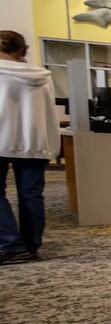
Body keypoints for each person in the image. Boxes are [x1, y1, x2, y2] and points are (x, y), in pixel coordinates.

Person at [0, 30, 58, 263]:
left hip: (2, 138)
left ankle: (10, 245)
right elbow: (48, 112)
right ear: (24, 50)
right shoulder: (42, 76)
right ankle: (30, 245)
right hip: (35, 139)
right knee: (32, 194)